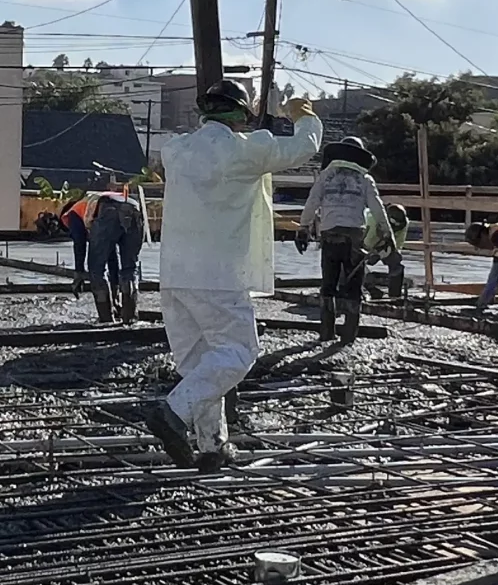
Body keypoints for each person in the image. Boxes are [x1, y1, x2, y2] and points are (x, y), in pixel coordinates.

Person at [128, 80, 323, 469]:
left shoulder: (177, 150)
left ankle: (212, 446)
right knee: (238, 352)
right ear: (240, 116)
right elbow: (304, 147)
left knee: (203, 364)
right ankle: (172, 412)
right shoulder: (246, 151)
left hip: (175, 276)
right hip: (218, 276)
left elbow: (171, 155)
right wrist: (305, 116)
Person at [297, 134, 388, 341]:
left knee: (328, 283)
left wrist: (303, 228)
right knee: (354, 285)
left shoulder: (326, 176)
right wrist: (387, 232)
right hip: (354, 236)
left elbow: (311, 203)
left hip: (329, 235)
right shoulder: (365, 179)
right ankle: (349, 335)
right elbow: (377, 207)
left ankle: (326, 332)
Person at [84, 178, 149, 323]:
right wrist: (114, 291)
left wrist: (78, 271)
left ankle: (106, 318)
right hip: (134, 210)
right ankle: (129, 317)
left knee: (96, 269)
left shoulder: (73, 215)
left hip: (108, 210)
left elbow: (80, 244)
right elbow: (112, 259)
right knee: (130, 268)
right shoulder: (95, 200)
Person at [61, 190, 93, 288]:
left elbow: (79, 244)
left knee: (96, 265)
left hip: (103, 212)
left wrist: (78, 273)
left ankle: (102, 297)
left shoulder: (73, 214)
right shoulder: (86, 204)